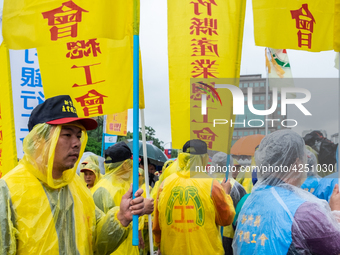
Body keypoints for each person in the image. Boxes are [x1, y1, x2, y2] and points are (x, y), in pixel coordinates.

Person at [0, 95, 145, 255]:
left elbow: (96, 242)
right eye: (67, 135)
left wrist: (121, 217)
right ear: (40, 139)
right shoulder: (9, 190)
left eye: (78, 135)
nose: (76, 143)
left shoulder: (77, 187)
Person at [233, 130, 340, 255]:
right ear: (297, 163)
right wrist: (336, 213)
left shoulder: (249, 200)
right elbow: (335, 247)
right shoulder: (304, 210)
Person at [153, 139, 235, 255]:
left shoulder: (165, 184)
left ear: (182, 157)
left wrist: (159, 244)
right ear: (204, 158)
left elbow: (157, 224)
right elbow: (226, 218)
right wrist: (226, 193)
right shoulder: (212, 185)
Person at [92, 142, 154, 255]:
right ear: (125, 164)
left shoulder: (122, 185)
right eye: (131, 163)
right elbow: (105, 232)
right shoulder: (106, 190)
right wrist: (143, 208)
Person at [210, 152, 247, 255]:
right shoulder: (236, 187)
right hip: (229, 235)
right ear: (230, 166)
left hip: (209, 234)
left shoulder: (205, 184)